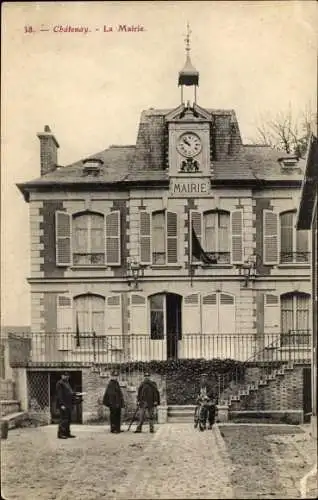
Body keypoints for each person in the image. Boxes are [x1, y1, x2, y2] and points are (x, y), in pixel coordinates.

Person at [56, 371, 76, 439]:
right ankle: (61, 434)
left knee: (68, 419)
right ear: (62, 376)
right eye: (65, 375)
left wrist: (75, 394)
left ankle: (67, 433)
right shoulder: (60, 383)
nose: (67, 377)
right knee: (63, 419)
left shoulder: (67, 383)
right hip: (64, 404)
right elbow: (59, 395)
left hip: (69, 404)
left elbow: (69, 392)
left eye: (67, 376)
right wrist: (61, 404)